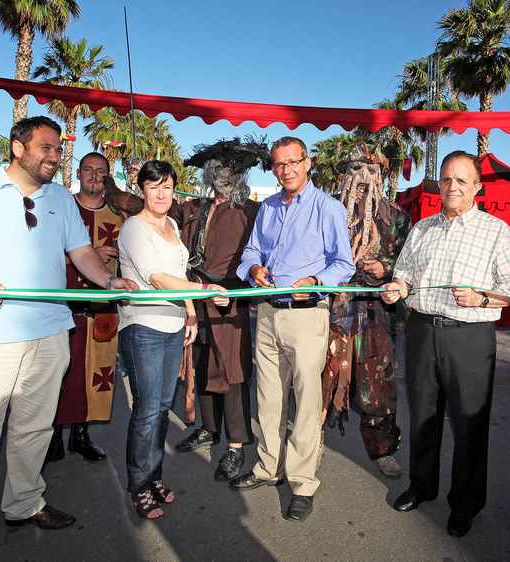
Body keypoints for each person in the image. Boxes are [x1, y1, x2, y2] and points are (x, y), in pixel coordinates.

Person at [0, 116, 136, 562]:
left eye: (58, 150)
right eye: (46, 148)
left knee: (34, 429)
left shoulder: (60, 198)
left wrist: (108, 281)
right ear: (18, 148)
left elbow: (79, 252)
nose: (55, 157)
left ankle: (23, 504)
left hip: (51, 331)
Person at [381, 150, 510, 538]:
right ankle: (422, 486)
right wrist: (397, 288)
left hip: (470, 338)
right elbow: (405, 274)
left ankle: (464, 504)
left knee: (470, 426)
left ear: (477, 187)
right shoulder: (422, 229)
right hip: (422, 332)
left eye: (462, 180)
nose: (452, 187)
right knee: (424, 417)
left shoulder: (496, 231)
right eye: (447, 179)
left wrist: (481, 298)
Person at [231, 136, 354, 522]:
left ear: (308, 162)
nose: (286, 170)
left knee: (304, 400)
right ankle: (268, 467)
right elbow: (252, 251)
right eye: (279, 164)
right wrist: (253, 269)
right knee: (267, 397)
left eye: (293, 162)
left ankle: (302, 482)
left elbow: (343, 264)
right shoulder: (266, 208)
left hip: (306, 315)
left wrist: (315, 278)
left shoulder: (328, 208)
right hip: (267, 313)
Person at [117, 160, 227, 520]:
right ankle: (139, 484)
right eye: (154, 186)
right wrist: (206, 290)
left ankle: (154, 476)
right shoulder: (134, 228)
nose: (161, 194)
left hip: (174, 324)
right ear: (142, 190)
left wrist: (191, 311)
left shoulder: (173, 225)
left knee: (163, 406)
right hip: (144, 327)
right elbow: (160, 279)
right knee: (147, 410)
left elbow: (180, 273)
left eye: (167, 186)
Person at [171, 138, 267, 482]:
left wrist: (239, 291)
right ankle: (209, 430)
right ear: (209, 173)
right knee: (201, 366)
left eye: (230, 169)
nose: (223, 174)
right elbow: (150, 208)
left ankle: (237, 444)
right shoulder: (195, 207)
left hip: (230, 301)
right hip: (196, 299)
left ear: (240, 174)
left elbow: (261, 257)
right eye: (217, 168)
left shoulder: (252, 212)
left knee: (232, 373)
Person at [320, 145, 410, 478]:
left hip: (376, 315)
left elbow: (408, 265)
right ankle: (311, 443)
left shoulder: (396, 216)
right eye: (355, 170)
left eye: (370, 171)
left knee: (378, 384)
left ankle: (382, 449)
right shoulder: (326, 212)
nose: (362, 178)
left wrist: (384, 269)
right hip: (333, 311)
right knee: (324, 377)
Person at [46, 152, 123, 464]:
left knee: (95, 374)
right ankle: (51, 435)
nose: (94, 175)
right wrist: (88, 257)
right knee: (58, 374)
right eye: (88, 169)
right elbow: (43, 255)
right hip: (61, 307)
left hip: (99, 310)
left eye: (100, 171)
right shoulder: (61, 211)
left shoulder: (117, 219)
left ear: (107, 177)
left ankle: (80, 435)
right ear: (78, 172)